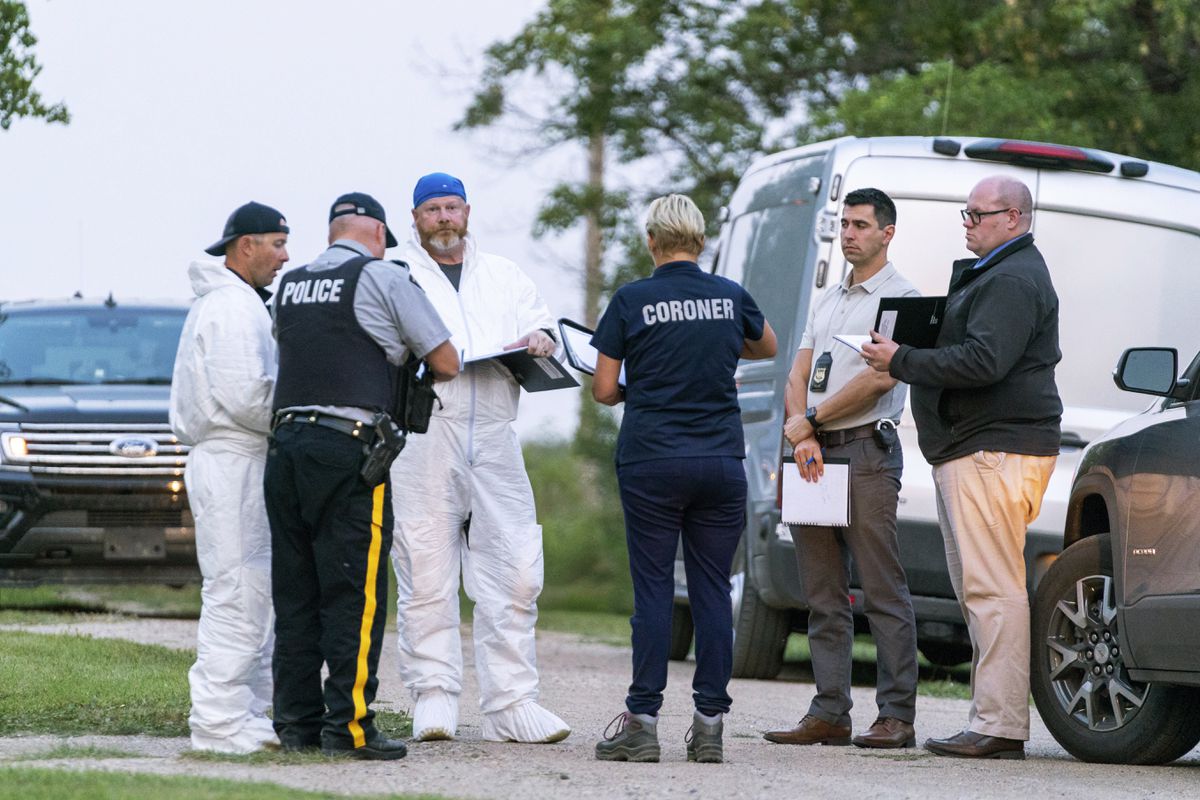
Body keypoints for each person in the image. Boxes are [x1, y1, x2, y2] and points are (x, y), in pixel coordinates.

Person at [862, 175, 1061, 760]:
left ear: (1015, 219)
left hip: (993, 452)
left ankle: (999, 725)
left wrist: (902, 358)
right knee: (982, 588)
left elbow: (985, 359)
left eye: (980, 213)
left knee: (993, 590)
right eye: (966, 213)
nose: (968, 221)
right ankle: (991, 718)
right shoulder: (1000, 273)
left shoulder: (1014, 278)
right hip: (975, 450)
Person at [264, 192, 459, 760]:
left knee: (296, 591)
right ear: (375, 232)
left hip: (285, 449)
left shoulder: (291, 284)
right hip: (349, 452)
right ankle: (349, 728)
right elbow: (445, 361)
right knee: (356, 591)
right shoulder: (382, 276)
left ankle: (296, 725)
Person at [591, 194, 777, 764]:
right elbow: (766, 345)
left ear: (652, 241)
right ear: (701, 242)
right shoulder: (729, 295)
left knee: (653, 591)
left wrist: (639, 388)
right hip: (720, 461)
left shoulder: (631, 299)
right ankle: (710, 726)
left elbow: (603, 389)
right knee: (713, 591)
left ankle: (642, 722)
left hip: (652, 459)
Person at [388, 172, 570, 745]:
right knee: (423, 563)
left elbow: (543, 328)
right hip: (425, 429)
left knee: (515, 564)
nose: (443, 218)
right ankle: (433, 694)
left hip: (494, 429)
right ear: (414, 218)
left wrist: (541, 338)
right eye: (431, 210)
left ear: (467, 212)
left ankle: (512, 702)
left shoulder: (504, 275)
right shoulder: (397, 273)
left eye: (451, 208)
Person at [764, 188, 921, 750]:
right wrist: (804, 433)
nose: (849, 234)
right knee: (822, 592)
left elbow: (882, 378)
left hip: (865, 455)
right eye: (844, 225)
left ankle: (896, 716)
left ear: (887, 232)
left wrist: (810, 420)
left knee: (882, 590)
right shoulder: (828, 298)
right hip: (814, 454)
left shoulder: (902, 297)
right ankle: (829, 710)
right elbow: (796, 372)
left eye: (860, 225)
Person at [170, 201, 289, 754]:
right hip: (234, 457)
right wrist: (303, 414)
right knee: (236, 589)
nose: (285, 256)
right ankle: (217, 722)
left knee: (252, 588)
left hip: (239, 458)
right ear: (247, 246)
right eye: (278, 244)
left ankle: (246, 712)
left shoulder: (239, 304)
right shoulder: (233, 309)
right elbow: (248, 398)